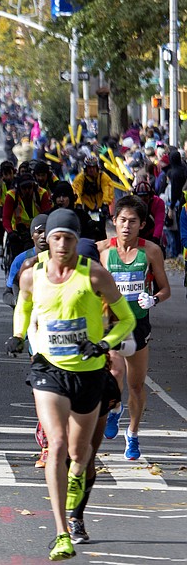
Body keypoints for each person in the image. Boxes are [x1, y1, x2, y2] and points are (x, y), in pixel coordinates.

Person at [6, 208, 135, 561]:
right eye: (56, 237)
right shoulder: (32, 273)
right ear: (46, 239)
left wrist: (105, 344)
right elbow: (23, 304)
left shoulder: (94, 275)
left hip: (90, 372)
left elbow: (126, 319)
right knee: (58, 443)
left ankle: (76, 490)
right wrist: (19, 335)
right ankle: (62, 532)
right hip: (49, 368)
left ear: (78, 240)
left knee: (80, 456)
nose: (62, 244)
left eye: (69, 238)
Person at [98, 195, 170, 460]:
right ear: (114, 222)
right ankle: (114, 409)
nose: (127, 226)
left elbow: (165, 289)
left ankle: (133, 433)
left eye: (133, 221)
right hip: (112, 323)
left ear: (142, 225)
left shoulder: (150, 251)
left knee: (136, 385)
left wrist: (153, 299)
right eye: (122, 220)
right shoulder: (102, 249)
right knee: (115, 371)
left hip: (139, 323)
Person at [3, 173, 52, 264]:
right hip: (18, 230)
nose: (27, 190)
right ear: (19, 188)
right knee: (15, 249)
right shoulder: (11, 195)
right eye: (24, 188)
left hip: (37, 229)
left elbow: (47, 214)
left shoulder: (42, 193)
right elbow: (6, 218)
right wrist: (10, 232)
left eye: (30, 187)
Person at [3, 214, 48, 307]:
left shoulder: (59, 258)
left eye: (47, 232)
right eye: (39, 232)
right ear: (32, 235)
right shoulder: (20, 260)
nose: (43, 236)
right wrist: (16, 301)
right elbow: (7, 294)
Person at [0, 161, 15, 257]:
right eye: (5, 174)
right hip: (2, 205)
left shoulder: (17, 181)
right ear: (1, 174)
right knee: (0, 221)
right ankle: (0, 244)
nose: (8, 177)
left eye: (10, 174)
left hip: (15, 206)